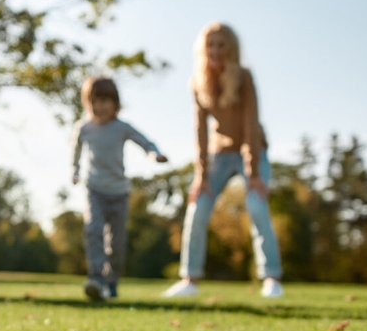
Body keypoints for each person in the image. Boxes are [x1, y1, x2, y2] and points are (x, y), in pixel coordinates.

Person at [162, 23, 284, 299]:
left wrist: (254, 173)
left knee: (256, 205)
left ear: (231, 49)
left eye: (221, 45)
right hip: (220, 153)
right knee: (198, 206)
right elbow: (200, 132)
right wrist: (201, 176)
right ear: (203, 50)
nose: (215, 50)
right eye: (210, 45)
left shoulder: (244, 77)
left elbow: (251, 124)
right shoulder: (197, 82)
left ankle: (271, 278)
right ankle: (190, 279)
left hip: (251, 149)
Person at [71, 77, 169, 301]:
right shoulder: (83, 128)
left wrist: (154, 154)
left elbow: (145, 141)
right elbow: (75, 151)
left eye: (106, 101)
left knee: (115, 242)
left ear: (115, 103)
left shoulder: (121, 128)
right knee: (93, 229)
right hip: (93, 188)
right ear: (88, 103)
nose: (101, 106)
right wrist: (74, 170)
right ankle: (96, 279)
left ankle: (111, 281)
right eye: (96, 101)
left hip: (118, 192)